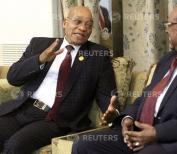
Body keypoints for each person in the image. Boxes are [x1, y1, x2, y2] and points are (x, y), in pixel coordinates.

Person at [72, 3, 177, 154]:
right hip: (140, 132)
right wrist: (127, 118)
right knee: (83, 145)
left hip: (172, 140)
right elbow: (144, 98)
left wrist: (157, 133)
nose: (167, 29)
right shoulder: (169, 59)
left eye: (169, 24)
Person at [0, 6, 117, 154]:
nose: (82, 28)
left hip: (54, 119)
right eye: (78, 22)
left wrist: (113, 112)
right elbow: (13, 77)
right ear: (65, 23)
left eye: (88, 25)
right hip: (22, 108)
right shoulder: (39, 44)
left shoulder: (98, 55)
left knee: (15, 145)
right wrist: (40, 59)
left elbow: (108, 96)